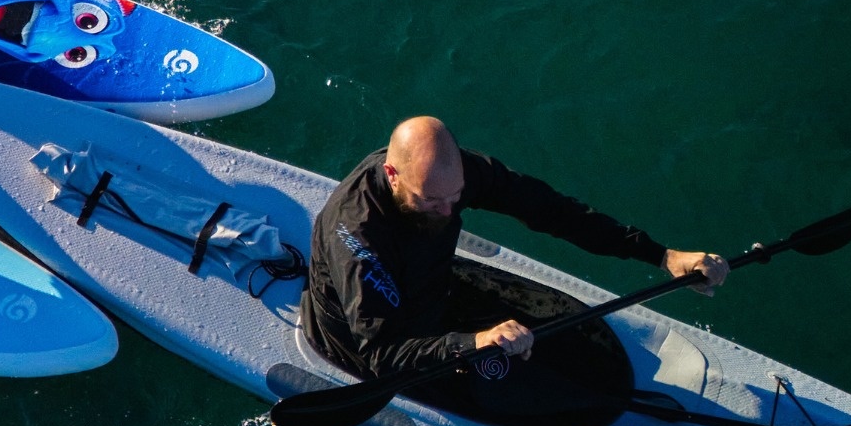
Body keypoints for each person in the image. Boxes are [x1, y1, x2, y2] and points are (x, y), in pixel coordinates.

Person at [301, 115, 729, 384]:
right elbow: (383, 354)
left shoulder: (449, 175)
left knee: (579, 356)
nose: (448, 211)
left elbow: (549, 210)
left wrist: (661, 255)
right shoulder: (357, 237)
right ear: (392, 174)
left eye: (455, 197)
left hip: (430, 289)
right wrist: (475, 342)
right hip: (364, 337)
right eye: (431, 201)